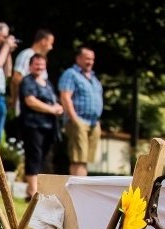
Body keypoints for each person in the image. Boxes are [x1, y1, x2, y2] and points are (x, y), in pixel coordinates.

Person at [20, 54, 63, 200]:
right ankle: (33, 192)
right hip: (33, 125)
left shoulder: (47, 83)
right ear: (30, 66)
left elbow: (54, 101)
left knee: (43, 158)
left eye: (42, 64)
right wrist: (51, 109)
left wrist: (58, 108)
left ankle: (35, 190)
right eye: (36, 64)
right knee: (34, 156)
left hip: (48, 127)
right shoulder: (27, 81)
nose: (39, 67)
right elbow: (31, 101)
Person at [58, 47, 103, 176]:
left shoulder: (93, 78)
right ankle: (76, 193)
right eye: (87, 58)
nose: (90, 62)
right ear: (78, 59)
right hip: (79, 120)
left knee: (86, 159)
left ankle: (82, 192)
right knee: (78, 158)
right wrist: (74, 119)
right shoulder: (71, 74)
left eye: (92, 59)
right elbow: (65, 96)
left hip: (94, 122)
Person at [10, 29, 54, 116]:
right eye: (50, 43)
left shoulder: (40, 59)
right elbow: (16, 79)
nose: (51, 47)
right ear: (44, 41)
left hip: (40, 109)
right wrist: (15, 99)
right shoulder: (27, 55)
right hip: (28, 109)